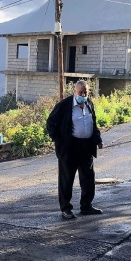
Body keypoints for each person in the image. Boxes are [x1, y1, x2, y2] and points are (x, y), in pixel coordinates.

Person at [46, 80, 104, 220]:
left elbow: (93, 124)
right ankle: (66, 208)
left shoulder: (89, 104)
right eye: (80, 93)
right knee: (67, 180)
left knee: (88, 178)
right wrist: (60, 141)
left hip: (86, 147)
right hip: (70, 148)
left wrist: (98, 139)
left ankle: (86, 206)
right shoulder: (65, 106)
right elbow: (51, 123)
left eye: (85, 93)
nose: (83, 95)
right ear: (74, 92)